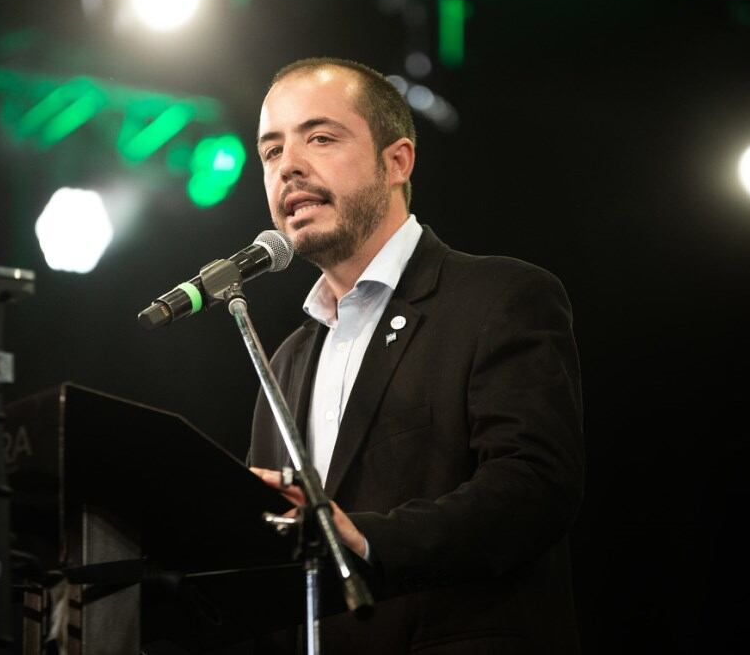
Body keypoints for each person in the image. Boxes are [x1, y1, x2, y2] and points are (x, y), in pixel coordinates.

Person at [247, 57, 584, 653]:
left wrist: (373, 541)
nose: (289, 167)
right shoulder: (286, 361)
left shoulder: (499, 297)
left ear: (396, 161)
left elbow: (533, 487)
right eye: (271, 152)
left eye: (320, 138)